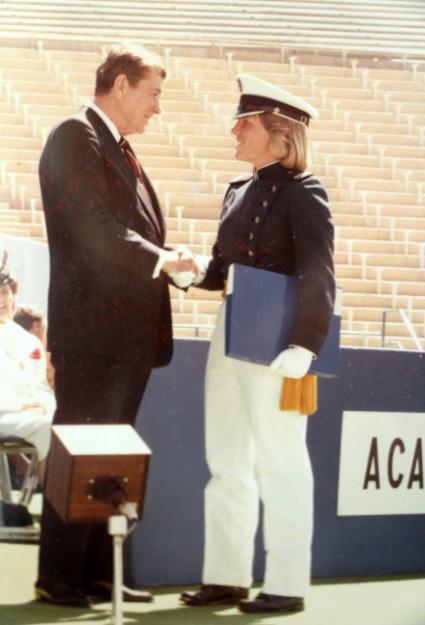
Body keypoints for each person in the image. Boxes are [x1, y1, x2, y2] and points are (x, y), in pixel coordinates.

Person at [36, 44, 195, 608]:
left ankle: (102, 574)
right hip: (95, 337)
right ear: (122, 85)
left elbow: (123, 232)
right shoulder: (75, 136)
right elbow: (94, 229)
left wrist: (167, 259)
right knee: (80, 450)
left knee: (111, 459)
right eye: (153, 93)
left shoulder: (118, 148)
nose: (157, 108)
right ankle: (59, 576)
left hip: (125, 339)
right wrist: (162, 259)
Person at [180, 74, 336, 614]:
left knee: (281, 462)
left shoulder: (305, 192)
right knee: (226, 458)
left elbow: (319, 273)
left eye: (244, 125)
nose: (235, 133)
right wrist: (190, 271)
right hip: (232, 328)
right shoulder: (237, 191)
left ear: (278, 133)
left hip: (279, 341)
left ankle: (287, 584)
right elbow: (223, 268)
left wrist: (306, 345)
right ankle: (225, 576)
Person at [0, 252, 55, 524]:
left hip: (25, 417)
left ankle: (61, 507)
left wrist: (47, 405)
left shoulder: (28, 341)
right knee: (46, 429)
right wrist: (18, 405)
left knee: (60, 423)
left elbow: (42, 387)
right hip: (6, 414)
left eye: (6, 292)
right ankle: (55, 510)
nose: (2, 300)